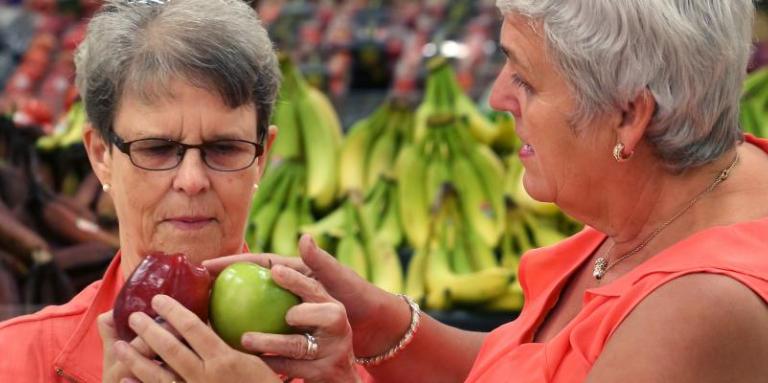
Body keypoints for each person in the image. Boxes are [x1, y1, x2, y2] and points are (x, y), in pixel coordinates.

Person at [208, 0, 768, 382]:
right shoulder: (672, 191)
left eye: (525, 77)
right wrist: (382, 326)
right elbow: (538, 367)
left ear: (628, 115)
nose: (498, 97)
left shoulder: (699, 311)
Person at [0, 1, 360, 382]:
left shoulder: (340, 365)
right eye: (156, 149)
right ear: (101, 154)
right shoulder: (15, 362)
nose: (192, 180)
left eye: (224, 148)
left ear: (261, 158)